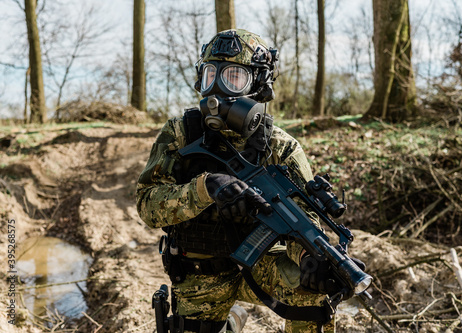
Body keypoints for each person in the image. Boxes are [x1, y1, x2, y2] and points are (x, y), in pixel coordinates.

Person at [137, 29, 360, 333]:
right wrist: (206, 189)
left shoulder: (281, 147)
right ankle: (229, 323)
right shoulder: (180, 133)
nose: (217, 89)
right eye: (210, 76)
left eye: (233, 77)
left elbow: (302, 223)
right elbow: (148, 207)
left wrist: (308, 258)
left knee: (315, 288)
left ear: (259, 84)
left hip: (264, 265)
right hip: (201, 271)